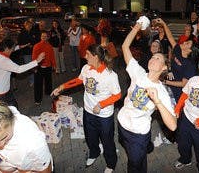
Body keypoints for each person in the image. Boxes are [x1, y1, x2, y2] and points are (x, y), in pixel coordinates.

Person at [117, 22, 177, 172]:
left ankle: (144, 147)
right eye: (153, 56)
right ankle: (145, 148)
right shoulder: (138, 72)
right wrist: (137, 28)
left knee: (135, 164)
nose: (153, 58)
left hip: (138, 133)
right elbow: (125, 47)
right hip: (122, 123)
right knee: (134, 155)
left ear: (164, 68)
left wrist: (157, 102)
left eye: (158, 59)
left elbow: (173, 125)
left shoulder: (161, 91)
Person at [51, 44, 121, 172]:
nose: (84, 56)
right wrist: (62, 86)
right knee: (90, 136)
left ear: (95, 57)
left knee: (107, 140)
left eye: (87, 54)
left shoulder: (110, 75)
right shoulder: (86, 68)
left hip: (104, 115)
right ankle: (94, 153)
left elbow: (117, 95)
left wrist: (101, 105)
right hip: (88, 111)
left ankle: (111, 163)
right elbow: (78, 80)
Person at [0, 95, 52, 172]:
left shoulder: (33, 144)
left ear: (12, 121)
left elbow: (46, 170)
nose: (0, 145)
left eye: (4, 137)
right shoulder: (0, 114)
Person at [0, 38, 45, 108]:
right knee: (9, 113)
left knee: (14, 107)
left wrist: (21, 46)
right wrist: (37, 61)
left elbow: (13, 49)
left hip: (4, 91)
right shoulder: (2, 60)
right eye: (12, 49)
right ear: (7, 48)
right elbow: (19, 69)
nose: (12, 51)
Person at [157, 18, 198, 102]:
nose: (184, 42)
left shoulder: (190, 65)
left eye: (187, 43)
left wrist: (166, 82)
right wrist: (164, 23)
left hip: (177, 92)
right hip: (167, 85)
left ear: (190, 50)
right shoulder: (178, 50)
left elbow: (184, 84)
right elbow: (170, 37)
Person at [32, 31, 56, 105]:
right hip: (39, 68)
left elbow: (52, 57)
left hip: (48, 67)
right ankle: (38, 100)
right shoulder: (36, 46)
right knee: (38, 84)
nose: (44, 38)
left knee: (48, 81)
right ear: (40, 37)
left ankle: (48, 92)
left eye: (45, 36)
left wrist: (54, 65)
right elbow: (34, 58)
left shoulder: (50, 46)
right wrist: (35, 68)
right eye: (42, 36)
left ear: (47, 37)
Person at [17, 20, 38, 86]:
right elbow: (19, 43)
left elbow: (36, 41)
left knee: (35, 66)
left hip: (34, 52)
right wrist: (26, 45)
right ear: (25, 26)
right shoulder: (21, 34)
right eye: (28, 25)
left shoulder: (33, 32)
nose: (29, 27)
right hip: (26, 53)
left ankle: (36, 79)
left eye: (30, 26)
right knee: (29, 67)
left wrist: (33, 44)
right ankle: (31, 80)